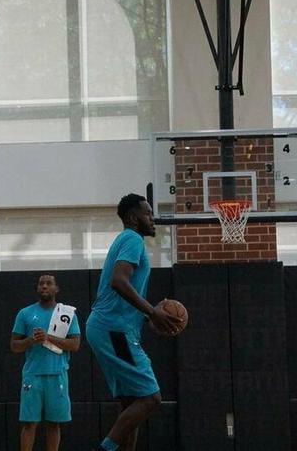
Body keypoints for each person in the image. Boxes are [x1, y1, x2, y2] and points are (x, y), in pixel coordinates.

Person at [88, 193, 181, 451]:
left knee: (131, 402)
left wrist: (146, 314)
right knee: (151, 397)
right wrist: (153, 312)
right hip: (113, 328)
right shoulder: (132, 239)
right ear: (132, 217)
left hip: (110, 327)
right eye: (148, 213)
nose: (153, 219)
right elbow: (118, 280)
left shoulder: (126, 240)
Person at [10, 274, 81, 451]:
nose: (44, 286)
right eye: (41, 284)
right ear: (37, 288)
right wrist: (30, 341)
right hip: (33, 375)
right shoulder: (25, 313)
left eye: (49, 284)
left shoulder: (66, 314)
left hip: (57, 374)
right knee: (29, 423)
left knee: (54, 423)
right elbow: (14, 346)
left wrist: (48, 337)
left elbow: (75, 344)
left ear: (56, 289)